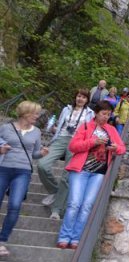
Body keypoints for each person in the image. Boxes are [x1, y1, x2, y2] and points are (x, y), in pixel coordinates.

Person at [56, 101, 125, 250]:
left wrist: (115, 147)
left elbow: (122, 148)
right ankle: (64, 236)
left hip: (98, 173)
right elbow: (73, 146)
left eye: (109, 114)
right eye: (103, 113)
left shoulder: (112, 130)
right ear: (96, 113)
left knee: (87, 206)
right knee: (74, 204)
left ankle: (76, 238)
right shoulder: (86, 126)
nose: (106, 117)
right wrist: (92, 142)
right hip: (80, 170)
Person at [0, 101, 49, 256]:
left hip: (23, 172)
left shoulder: (37, 132)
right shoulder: (5, 128)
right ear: (26, 113)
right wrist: (1, 149)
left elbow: (34, 154)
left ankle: (2, 241)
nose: (37, 116)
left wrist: (42, 153)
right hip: (3, 169)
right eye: (35, 113)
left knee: (15, 205)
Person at [38, 89, 94, 220]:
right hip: (61, 139)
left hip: (76, 142)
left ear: (87, 100)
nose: (80, 99)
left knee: (66, 177)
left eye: (84, 97)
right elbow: (60, 124)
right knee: (42, 164)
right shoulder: (66, 109)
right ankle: (54, 190)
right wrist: (54, 129)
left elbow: (89, 131)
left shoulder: (90, 113)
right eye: (79, 96)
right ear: (75, 97)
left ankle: (56, 210)